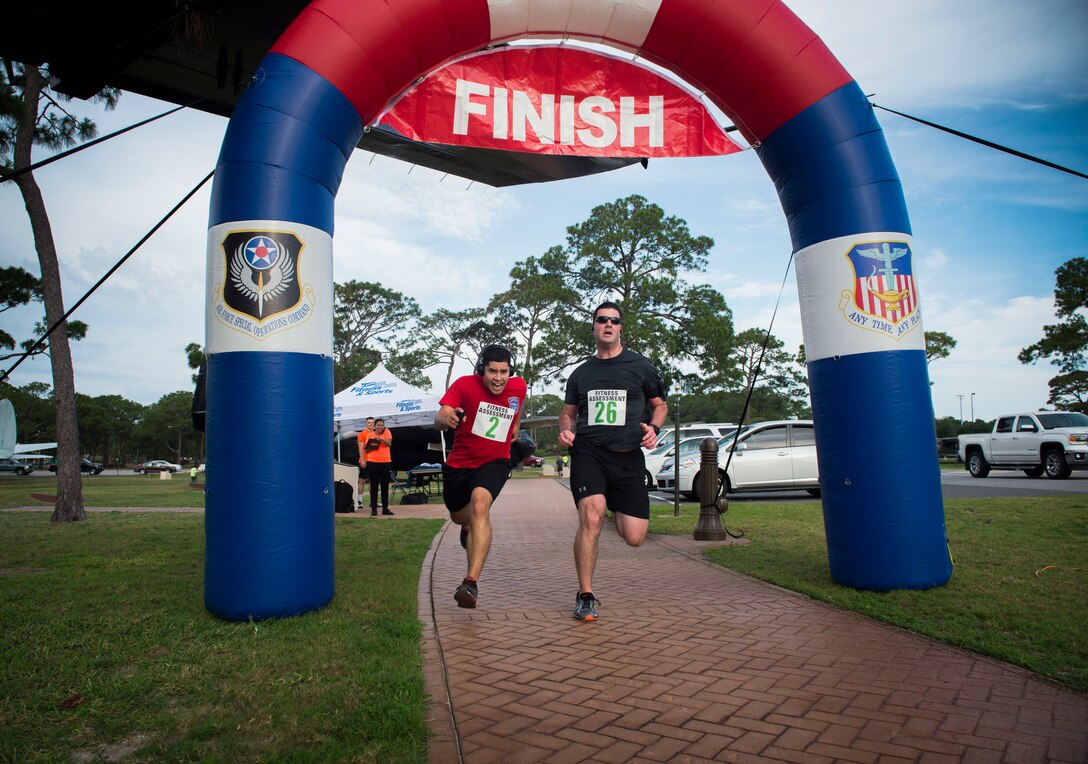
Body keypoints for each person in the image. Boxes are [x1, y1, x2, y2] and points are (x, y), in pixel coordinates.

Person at [558, 301, 667, 621]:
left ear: (620, 328)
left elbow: (659, 405)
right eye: (601, 320)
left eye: (614, 321)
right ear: (593, 327)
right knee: (590, 518)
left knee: (634, 536)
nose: (608, 324)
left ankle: (614, 503)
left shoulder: (641, 367)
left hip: (628, 457)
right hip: (589, 452)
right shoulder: (581, 374)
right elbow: (568, 414)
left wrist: (654, 428)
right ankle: (586, 594)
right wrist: (566, 431)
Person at [435, 344, 527, 609]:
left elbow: (516, 410)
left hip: (495, 461)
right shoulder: (464, 385)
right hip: (459, 464)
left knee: (480, 503)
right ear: (481, 370)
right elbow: (439, 416)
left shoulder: (518, 387)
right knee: (458, 515)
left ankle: (470, 583)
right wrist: (447, 418)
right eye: (492, 371)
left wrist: (516, 427)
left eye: (504, 371)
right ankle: (465, 527)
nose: (498, 378)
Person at [362, 418, 393, 516]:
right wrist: (373, 443)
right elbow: (366, 451)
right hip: (373, 462)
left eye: (382, 425)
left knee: (385, 486)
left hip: (385, 462)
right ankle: (374, 509)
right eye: (378, 425)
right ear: (374, 426)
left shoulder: (387, 432)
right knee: (374, 486)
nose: (380, 427)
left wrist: (382, 440)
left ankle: (385, 508)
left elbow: (389, 444)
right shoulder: (370, 435)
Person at [356, 416, 375, 506]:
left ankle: (373, 501)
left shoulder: (377, 434)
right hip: (365, 460)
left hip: (374, 460)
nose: (371, 424)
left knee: (373, 481)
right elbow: (360, 448)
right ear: (366, 424)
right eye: (369, 422)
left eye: (372, 422)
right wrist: (362, 460)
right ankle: (359, 501)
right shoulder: (362, 434)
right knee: (362, 481)